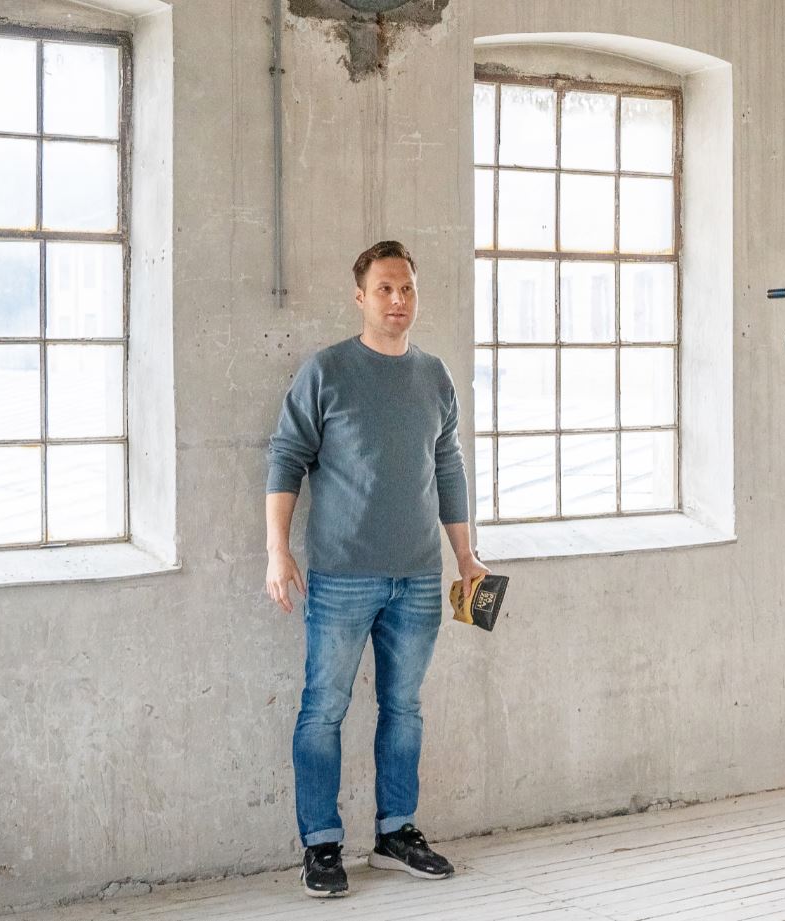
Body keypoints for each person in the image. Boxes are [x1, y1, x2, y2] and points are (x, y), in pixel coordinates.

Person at [265, 240, 488, 898]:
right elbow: (286, 457)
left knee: (404, 707)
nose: (398, 300)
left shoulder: (434, 376)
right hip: (341, 575)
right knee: (323, 709)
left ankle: (395, 833)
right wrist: (277, 550)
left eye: (407, 288)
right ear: (360, 297)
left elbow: (447, 468)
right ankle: (320, 844)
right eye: (385, 288)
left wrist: (465, 555)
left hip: (418, 576)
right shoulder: (327, 370)